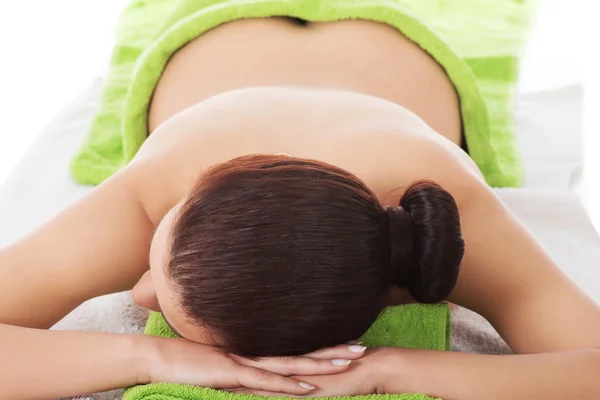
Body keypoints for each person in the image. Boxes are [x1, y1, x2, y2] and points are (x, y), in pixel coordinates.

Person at [1, 15, 600, 400]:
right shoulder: (156, 194)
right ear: (207, 187)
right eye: (160, 267)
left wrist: (394, 369)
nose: (140, 294)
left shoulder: (457, 213)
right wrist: (151, 353)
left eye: (150, 277)